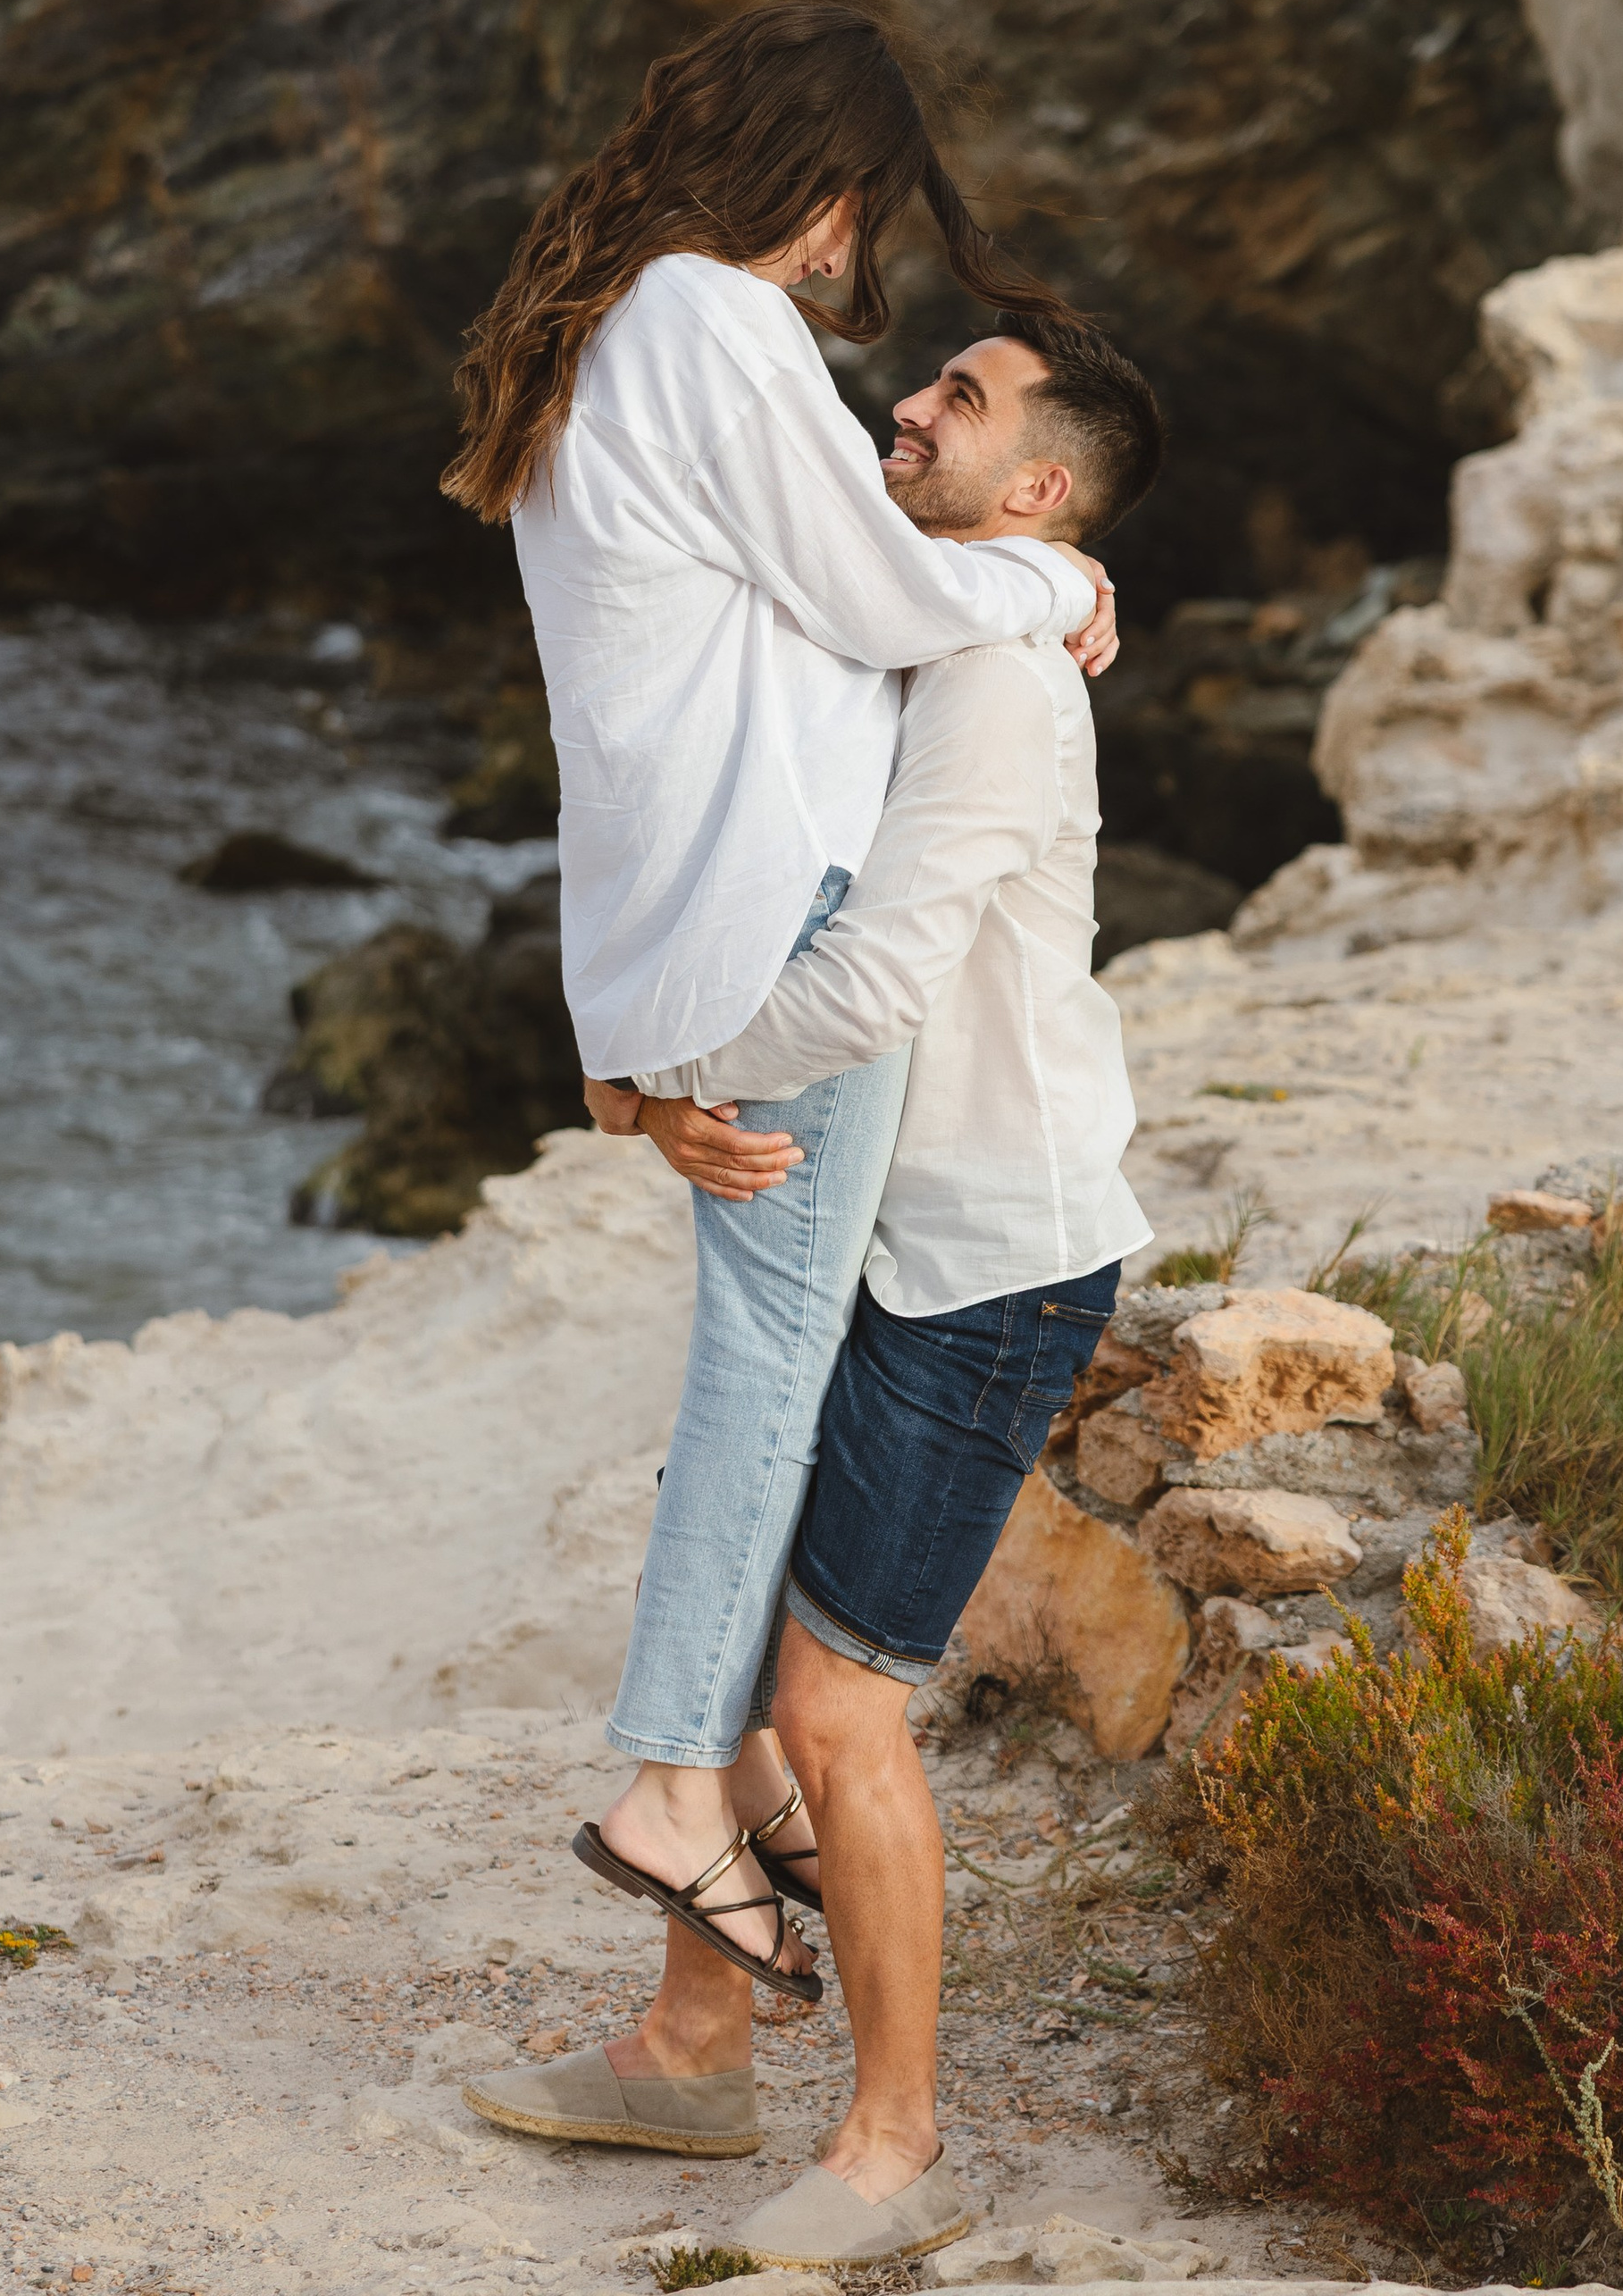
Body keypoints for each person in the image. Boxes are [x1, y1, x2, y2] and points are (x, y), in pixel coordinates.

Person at [465, 313, 1163, 2276]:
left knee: (832, 1702)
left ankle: (893, 2139)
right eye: (914, 376)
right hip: (868, 1223)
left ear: (1033, 487)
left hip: (979, 1261)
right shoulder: (921, 627)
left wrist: (667, 1083)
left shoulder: (996, 687)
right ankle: (694, 2048)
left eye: (955, 400)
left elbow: (867, 982)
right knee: (743, 1643)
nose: (903, 406)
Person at [441, 0, 1117, 1994]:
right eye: (863, 217)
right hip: (777, 910)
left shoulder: (599, 333)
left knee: (767, 1350)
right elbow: (884, 595)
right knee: (768, 1362)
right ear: (826, 190)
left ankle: (721, 1788)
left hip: (671, 915)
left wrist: (628, 1046)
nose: (855, 266)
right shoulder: (715, 325)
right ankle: (678, 1783)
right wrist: (1055, 588)